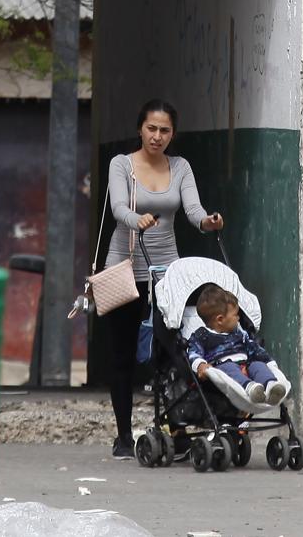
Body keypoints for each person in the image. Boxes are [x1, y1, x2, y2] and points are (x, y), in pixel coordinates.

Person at [104, 99, 225, 459]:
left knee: (173, 350)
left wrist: (207, 222)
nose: (157, 137)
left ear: (173, 133)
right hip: (125, 267)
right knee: (123, 353)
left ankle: (175, 426)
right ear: (140, 129)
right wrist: (135, 218)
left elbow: (192, 209)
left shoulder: (181, 166)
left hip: (167, 271)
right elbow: (118, 208)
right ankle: (124, 435)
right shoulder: (121, 165)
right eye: (151, 129)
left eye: (165, 130)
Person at [188, 284, 288, 405]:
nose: (239, 318)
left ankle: (271, 386)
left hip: (246, 365)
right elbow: (194, 352)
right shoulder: (202, 336)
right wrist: (201, 365)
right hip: (222, 371)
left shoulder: (240, 334)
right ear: (220, 319)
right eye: (235, 315)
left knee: (258, 365)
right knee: (229, 368)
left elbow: (254, 348)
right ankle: (250, 388)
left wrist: (269, 362)